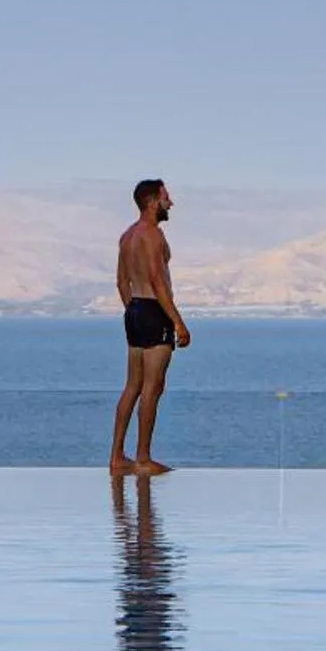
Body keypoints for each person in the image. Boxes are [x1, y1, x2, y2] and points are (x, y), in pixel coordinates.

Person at [111, 178, 189, 474]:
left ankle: (117, 457)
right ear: (152, 201)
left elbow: (121, 280)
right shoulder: (152, 235)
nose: (171, 203)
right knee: (153, 388)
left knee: (132, 385)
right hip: (154, 310)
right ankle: (142, 458)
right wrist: (178, 322)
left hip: (135, 310)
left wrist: (133, 310)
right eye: (166, 197)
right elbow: (158, 281)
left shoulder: (127, 236)